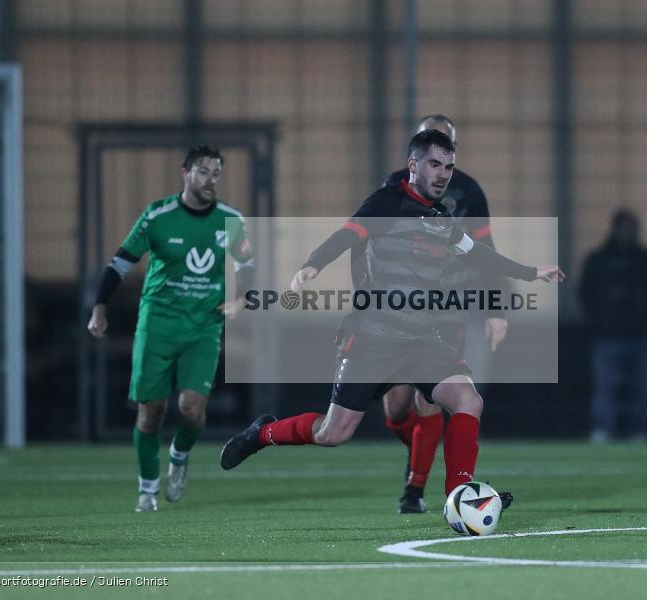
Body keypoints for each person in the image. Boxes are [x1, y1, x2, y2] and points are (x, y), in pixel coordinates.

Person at [220, 130, 564, 509]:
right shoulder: (386, 203)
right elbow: (346, 235)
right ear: (414, 164)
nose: (443, 174)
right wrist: (311, 266)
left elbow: (479, 256)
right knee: (333, 433)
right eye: (435, 164)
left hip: (421, 340)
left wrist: (532, 272)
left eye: (449, 167)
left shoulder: (442, 219)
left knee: (468, 400)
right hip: (372, 340)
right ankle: (262, 433)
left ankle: (459, 494)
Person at [88, 146, 253, 512]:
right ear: (185, 173)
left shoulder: (231, 219)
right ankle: (147, 490)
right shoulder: (157, 216)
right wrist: (99, 307)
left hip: (204, 326)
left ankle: (179, 455)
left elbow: (248, 265)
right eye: (204, 172)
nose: (211, 180)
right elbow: (119, 264)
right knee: (151, 412)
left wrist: (243, 298)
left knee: (192, 408)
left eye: (217, 174)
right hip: (158, 324)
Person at [378, 114, 508, 514]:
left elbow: (486, 251)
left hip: (446, 308)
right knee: (396, 408)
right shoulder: (393, 186)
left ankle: (415, 490)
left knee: (430, 397)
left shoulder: (469, 192)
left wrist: (495, 307)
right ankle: (420, 452)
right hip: (398, 308)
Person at [579, 209, 647, 443]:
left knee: (642, 388)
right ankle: (603, 429)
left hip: (642, 335)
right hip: (607, 336)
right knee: (606, 387)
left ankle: (639, 431)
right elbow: (586, 294)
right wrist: (597, 323)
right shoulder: (598, 260)